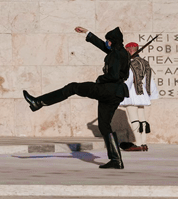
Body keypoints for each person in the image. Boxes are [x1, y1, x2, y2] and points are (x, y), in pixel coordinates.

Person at [24, 26, 130, 169]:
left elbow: (114, 75)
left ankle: (39, 102)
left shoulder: (116, 54)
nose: (106, 43)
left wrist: (100, 79)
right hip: (117, 94)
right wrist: (88, 33)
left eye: (108, 41)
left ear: (112, 41)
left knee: (73, 87)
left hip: (107, 89)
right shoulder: (120, 52)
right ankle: (116, 160)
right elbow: (103, 47)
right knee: (104, 126)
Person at [119, 42, 159, 152]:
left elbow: (129, 80)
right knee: (142, 119)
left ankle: (138, 143)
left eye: (127, 50)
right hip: (142, 94)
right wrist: (150, 94)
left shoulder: (129, 63)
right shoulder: (144, 62)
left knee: (134, 118)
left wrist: (121, 92)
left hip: (131, 93)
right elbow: (149, 80)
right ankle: (144, 144)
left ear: (128, 50)